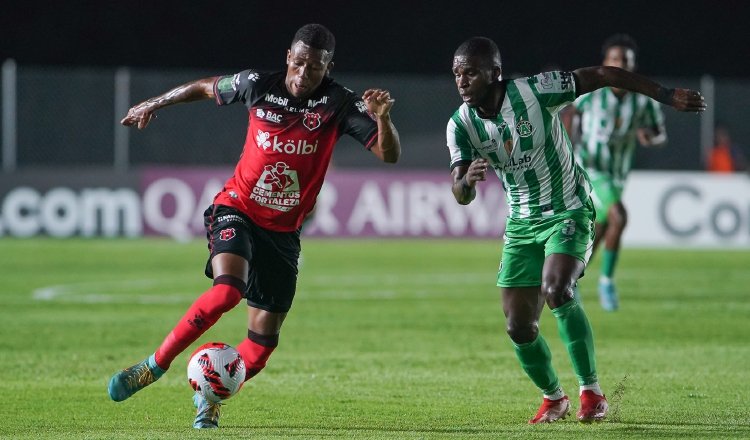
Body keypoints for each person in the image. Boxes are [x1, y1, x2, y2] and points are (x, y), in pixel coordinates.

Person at [107, 24, 401, 429]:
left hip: (283, 235)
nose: (303, 73)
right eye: (298, 62)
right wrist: (154, 103)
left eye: (314, 67)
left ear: (327, 67)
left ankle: (208, 398)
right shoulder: (256, 84)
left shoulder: (340, 103)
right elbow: (206, 87)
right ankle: (152, 367)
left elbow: (388, 154)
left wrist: (384, 119)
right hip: (237, 208)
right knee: (228, 290)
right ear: (288, 56)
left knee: (260, 348)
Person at [446, 37, 704, 424]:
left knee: (558, 289)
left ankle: (592, 392)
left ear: (494, 73)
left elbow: (602, 74)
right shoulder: (460, 125)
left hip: (569, 207)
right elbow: (460, 193)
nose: (462, 81)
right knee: (518, 326)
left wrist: (665, 95)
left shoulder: (534, 91)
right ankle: (554, 398)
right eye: (457, 74)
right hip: (521, 224)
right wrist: (466, 180)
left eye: (471, 72)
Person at [565, 34, 668, 311]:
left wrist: (649, 137)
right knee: (619, 215)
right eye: (615, 59)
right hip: (590, 167)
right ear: (605, 63)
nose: (620, 64)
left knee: (603, 227)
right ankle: (607, 283)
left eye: (625, 60)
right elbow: (569, 113)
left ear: (632, 65)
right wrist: (568, 144)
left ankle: (570, 278)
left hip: (619, 173)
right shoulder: (592, 93)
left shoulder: (643, 99)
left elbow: (660, 134)